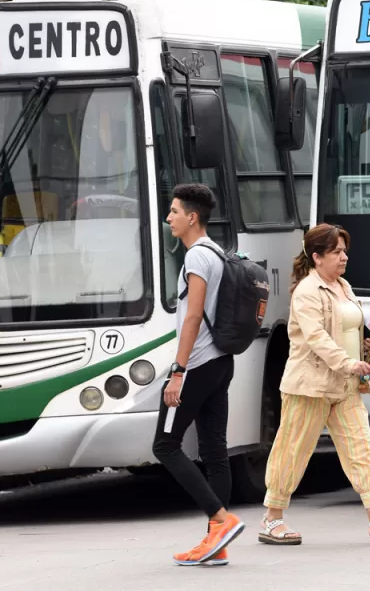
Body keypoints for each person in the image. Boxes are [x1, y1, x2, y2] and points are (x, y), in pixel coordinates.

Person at [260, 223, 370, 546]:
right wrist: (348, 363)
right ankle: (272, 519)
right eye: (336, 252)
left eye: (344, 251)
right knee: (293, 451)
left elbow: (351, 327)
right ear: (317, 257)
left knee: (361, 448)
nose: (344, 257)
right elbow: (317, 338)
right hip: (309, 387)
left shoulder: (343, 286)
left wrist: (364, 347)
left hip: (345, 386)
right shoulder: (306, 293)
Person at [151, 183, 245, 566]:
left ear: (192, 217)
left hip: (200, 364)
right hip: (222, 362)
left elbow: (192, 316)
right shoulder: (218, 253)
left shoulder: (196, 258)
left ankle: (221, 520)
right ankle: (216, 545)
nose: (169, 217)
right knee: (213, 451)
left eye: (173, 211)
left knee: (165, 446)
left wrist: (178, 371)